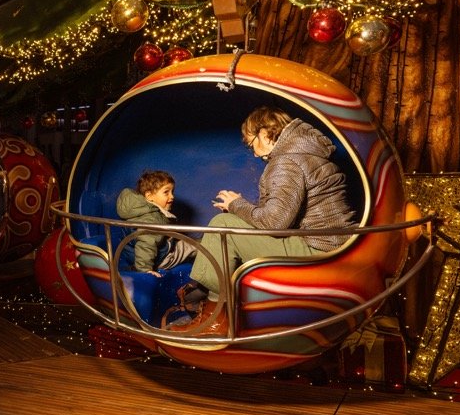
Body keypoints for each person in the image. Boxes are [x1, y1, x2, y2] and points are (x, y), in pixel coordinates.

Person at [167, 106, 356, 332]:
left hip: (316, 248)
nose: (255, 153)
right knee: (232, 224)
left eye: (251, 144)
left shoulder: (286, 162)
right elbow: (285, 213)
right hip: (334, 244)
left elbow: (275, 223)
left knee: (222, 226)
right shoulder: (308, 154)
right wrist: (240, 210)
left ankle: (214, 319)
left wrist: (236, 204)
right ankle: (206, 300)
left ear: (265, 133)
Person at [115, 169, 194, 275]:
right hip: (160, 259)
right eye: (166, 192)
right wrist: (145, 269)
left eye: (172, 192)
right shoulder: (152, 218)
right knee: (196, 247)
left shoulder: (140, 211)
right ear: (149, 196)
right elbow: (146, 244)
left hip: (134, 256)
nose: (172, 196)